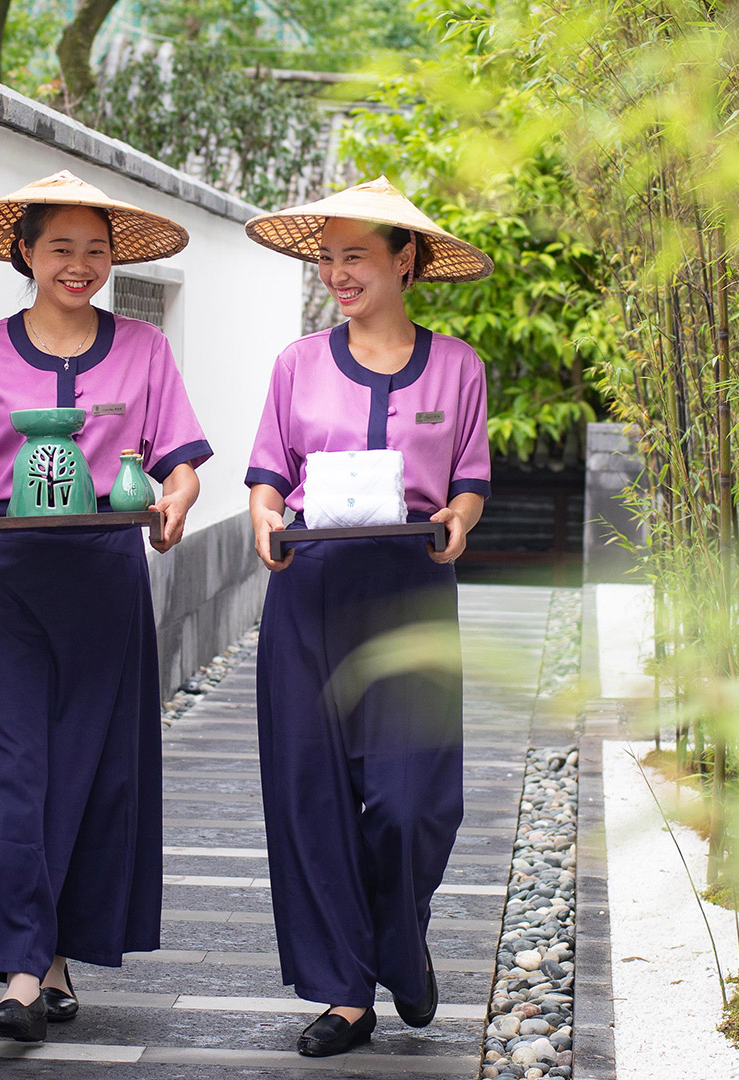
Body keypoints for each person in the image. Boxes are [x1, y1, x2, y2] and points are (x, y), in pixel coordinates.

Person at [0, 170, 212, 1043]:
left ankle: (51, 959)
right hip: (10, 581)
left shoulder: (143, 350)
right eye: (60, 250)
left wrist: (175, 504)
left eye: (95, 251)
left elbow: (182, 460)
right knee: (17, 774)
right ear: (24, 254)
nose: (78, 266)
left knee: (90, 772)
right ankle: (18, 973)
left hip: (104, 580)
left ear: (112, 259)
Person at [241, 177, 495, 1057]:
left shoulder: (458, 365)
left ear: (405, 260)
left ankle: (399, 937)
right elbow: (269, 472)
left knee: (411, 799)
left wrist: (459, 521)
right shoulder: (297, 364)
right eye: (328, 256)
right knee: (310, 795)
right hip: (310, 591)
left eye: (356, 256)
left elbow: (467, 479)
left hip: (411, 589)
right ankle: (346, 992)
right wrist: (265, 519)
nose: (337, 273)